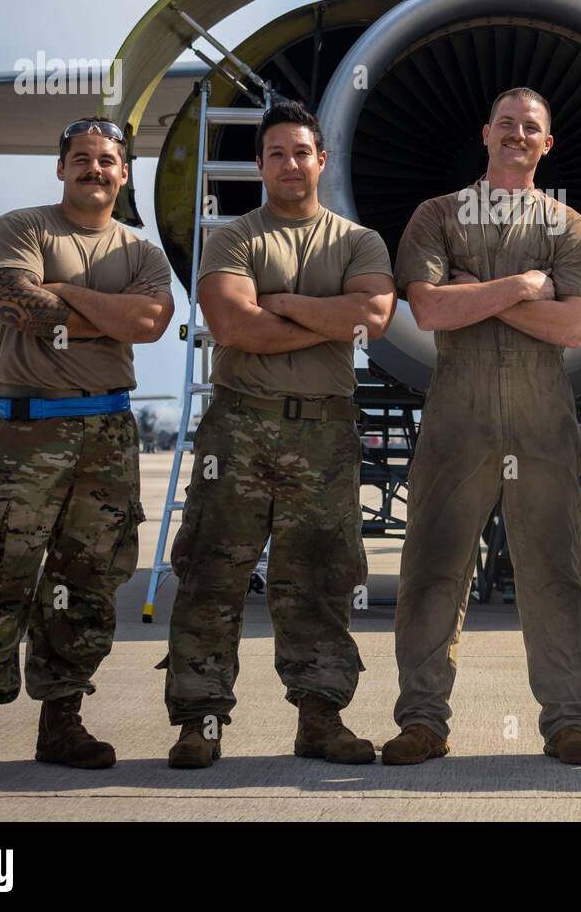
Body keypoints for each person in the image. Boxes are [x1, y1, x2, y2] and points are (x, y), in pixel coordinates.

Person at [0, 117, 174, 785]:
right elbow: (15, 305)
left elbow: (153, 324)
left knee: (87, 583)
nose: (96, 169)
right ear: (60, 167)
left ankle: (61, 721)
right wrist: (107, 315)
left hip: (109, 435)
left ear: (125, 174)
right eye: (83, 159)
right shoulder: (21, 228)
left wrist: (65, 294)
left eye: (108, 161)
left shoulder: (141, 252)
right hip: (28, 432)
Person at [162, 98, 395, 768]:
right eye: (276, 154)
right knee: (213, 574)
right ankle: (199, 723)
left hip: (324, 434)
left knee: (320, 579)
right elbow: (236, 327)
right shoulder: (234, 238)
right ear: (261, 165)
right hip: (239, 429)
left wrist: (284, 304)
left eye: (301, 152)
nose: (290, 164)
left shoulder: (359, 242)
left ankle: (320, 721)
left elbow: (373, 318)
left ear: (322, 159)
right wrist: (329, 312)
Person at [382, 88, 581, 766]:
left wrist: (475, 293)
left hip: (542, 423)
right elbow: (426, 311)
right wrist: (518, 289)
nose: (516, 135)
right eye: (505, 124)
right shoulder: (436, 216)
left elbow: (571, 325)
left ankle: (568, 721)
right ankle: (423, 721)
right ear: (485, 134)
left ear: (547, 144)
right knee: (431, 571)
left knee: (555, 574)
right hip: (459, 420)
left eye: (529, 127)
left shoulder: (569, 227)